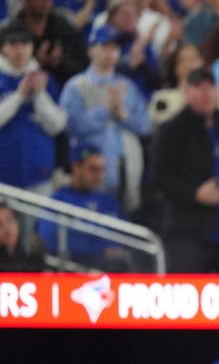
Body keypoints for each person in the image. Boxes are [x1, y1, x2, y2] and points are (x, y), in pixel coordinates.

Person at [150, 67, 219, 273]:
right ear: (187, 93)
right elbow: (160, 178)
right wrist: (194, 194)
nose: (206, 93)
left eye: (211, 87)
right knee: (189, 293)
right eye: (199, 87)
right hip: (189, 230)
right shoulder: (172, 130)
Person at [60, 25, 151, 215]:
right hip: (93, 172)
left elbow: (146, 126)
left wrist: (124, 115)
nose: (111, 53)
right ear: (91, 49)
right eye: (105, 46)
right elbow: (71, 126)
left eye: (115, 48)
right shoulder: (77, 86)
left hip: (129, 168)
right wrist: (105, 111)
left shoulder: (127, 85)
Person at [0, 21, 66, 197]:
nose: (19, 50)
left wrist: (39, 95)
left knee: (38, 224)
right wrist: (19, 95)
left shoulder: (45, 80)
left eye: (25, 43)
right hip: (3, 177)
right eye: (13, 44)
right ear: (3, 48)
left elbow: (57, 125)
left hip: (39, 174)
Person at [38, 143, 128, 271]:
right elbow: (50, 239)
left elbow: (126, 238)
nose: (99, 176)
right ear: (76, 167)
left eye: (102, 169)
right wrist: (100, 250)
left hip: (114, 270)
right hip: (75, 269)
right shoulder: (59, 200)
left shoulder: (109, 202)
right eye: (93, 169)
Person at [0, 200, 45, 272]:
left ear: (17, 223)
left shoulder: (34, 260)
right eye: (0, 224)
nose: (6, 228)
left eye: (9, 220)